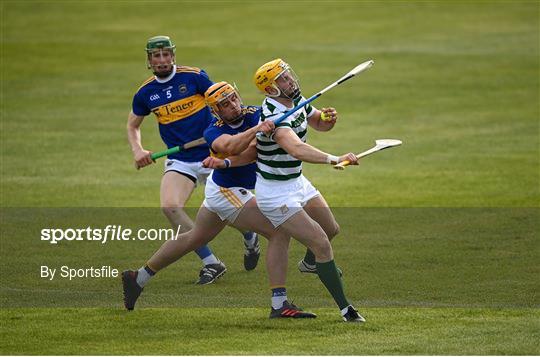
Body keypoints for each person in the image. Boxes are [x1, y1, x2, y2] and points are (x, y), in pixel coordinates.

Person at [122, 81, 316, 318]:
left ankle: (137, 277)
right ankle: (279, 304)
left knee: (193, 238)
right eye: (224, 104)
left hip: (225, 189)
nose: (233, 105)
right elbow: (231, 147)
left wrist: (316, 116)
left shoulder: (257, 113)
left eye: (233, 98)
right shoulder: (213, 130)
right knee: (278, 231)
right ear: (215, 111)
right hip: (227, 191)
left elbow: (291, 121)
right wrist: (256, 131)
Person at [126, 35, 259, 285]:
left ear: (174, 56)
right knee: (170, 207)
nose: (162, 60)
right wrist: (138, 150)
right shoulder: (145, 93)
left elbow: (221, 103)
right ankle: (210, 262)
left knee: (224, 209)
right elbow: (133, 125)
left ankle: (249, 234)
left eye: (166, 54)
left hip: (214, 154)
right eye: (157, 56)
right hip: (181, 159)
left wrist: (219, 137)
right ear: (149, 60)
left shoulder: (194, 76)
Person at [252, 58, 366, 322]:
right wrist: (334, 158)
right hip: (276, 193)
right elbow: (296, 149)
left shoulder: (296, 100)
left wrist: (328, 119)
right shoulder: (273, 116)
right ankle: (346, 310)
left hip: (297, 183)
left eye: (288, 75)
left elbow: (318, 123)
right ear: (270, 89)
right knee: (320, 242)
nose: (290, 80)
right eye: (282, 78)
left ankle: (310, 263)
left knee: (331, 229)